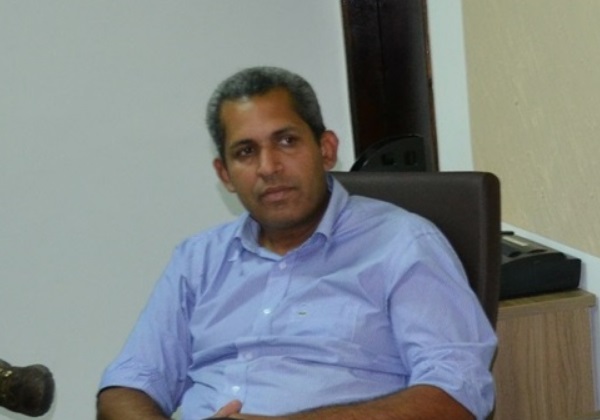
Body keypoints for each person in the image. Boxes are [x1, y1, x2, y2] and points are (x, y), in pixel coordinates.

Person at [96, 66, 497, 420]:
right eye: (246, 151)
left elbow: (457, 394)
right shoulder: (198, 259)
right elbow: (128, 385)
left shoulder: (403, 244)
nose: (269, 167)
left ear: (326, 149)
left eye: (286, 141)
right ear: (225, 174)